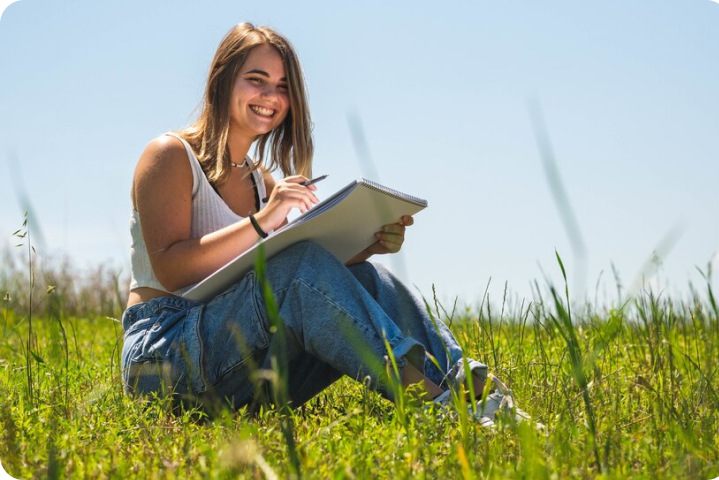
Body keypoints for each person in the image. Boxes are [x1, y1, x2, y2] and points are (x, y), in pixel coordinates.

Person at [121, 22, 532, 427]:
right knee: (299, 267)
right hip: (162, 356)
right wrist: (264, 222)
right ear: (223, 80)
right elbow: (172, 268)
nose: (271, 96)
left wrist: (366, 243)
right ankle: (438, 405)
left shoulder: (261, 181)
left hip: (236, 357)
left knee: (366, 276)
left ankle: (475, 388)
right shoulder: (170, 155)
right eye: (257, 80)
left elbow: (291, 289)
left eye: (283, 86)